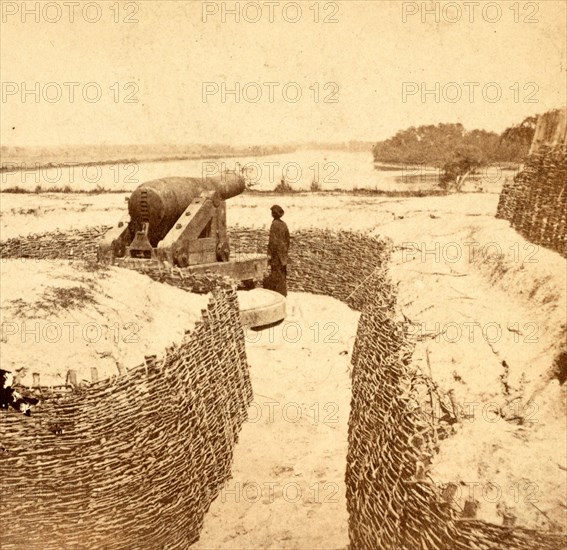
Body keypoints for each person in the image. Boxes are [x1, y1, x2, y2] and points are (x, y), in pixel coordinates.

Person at [265, 204, 290, 296]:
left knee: (276, 274)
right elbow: (288, 240)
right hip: (283, 255)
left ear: (273, 214)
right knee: (282, 274)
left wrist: (269, 254)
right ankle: (283, 293)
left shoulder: (274, 224)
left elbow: (272, 241)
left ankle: (278, 294)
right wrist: (285, 251)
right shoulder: (284, 224)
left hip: (276, 255)